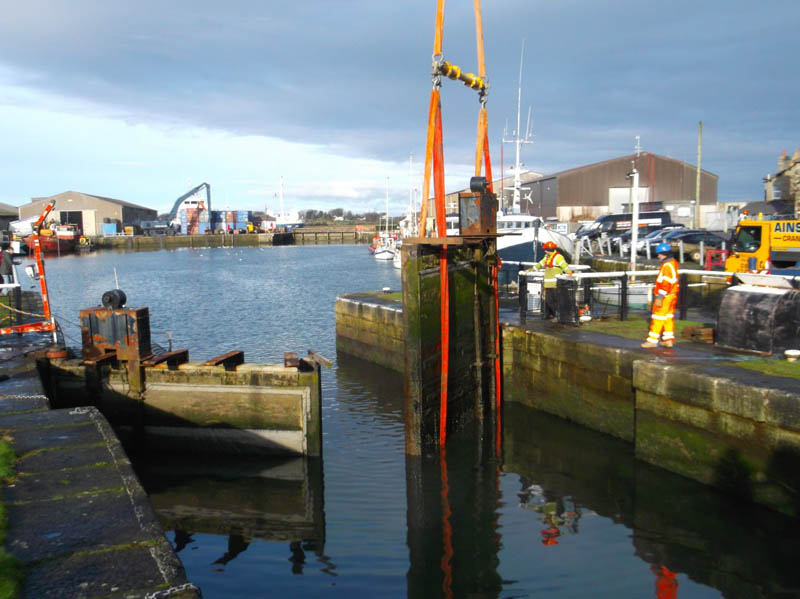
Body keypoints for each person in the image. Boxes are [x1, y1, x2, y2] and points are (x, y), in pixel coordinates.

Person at [642, 242, 679, 348]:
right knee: (668, 318)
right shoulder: (673, 263)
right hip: (672, 295)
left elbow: (666, 283)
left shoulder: (667, 266)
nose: (658, 256)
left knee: (657, 317)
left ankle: (652, 341)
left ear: (664, 254)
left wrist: (659, 297)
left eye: (659, 254)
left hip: (665, 296)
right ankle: (668, 339)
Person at [526, 241, 572, 320]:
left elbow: (564, 265)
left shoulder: (558, 257)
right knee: (549, 301)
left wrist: (569, 272)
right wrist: (530, 270)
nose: (545, 251)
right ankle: (551, 315)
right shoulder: (546, 257)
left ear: (550, 249)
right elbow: (539, 265)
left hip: (555, 284)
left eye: (546, 250)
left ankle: (557, 315)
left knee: (555, 301)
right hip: (548, 284)